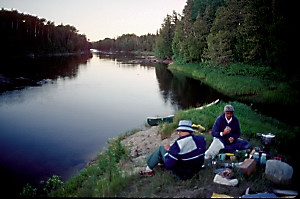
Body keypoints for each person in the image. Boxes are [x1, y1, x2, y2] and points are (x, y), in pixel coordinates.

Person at [140, 120, 206, 180]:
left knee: (161, 149)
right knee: (172, 154)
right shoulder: (201, 138)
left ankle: (149, 169)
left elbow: (168, 165)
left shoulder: (178, 144)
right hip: (197, 169)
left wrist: (169, 151)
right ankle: (155, 163)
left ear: (180, 131)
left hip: (183, 174)